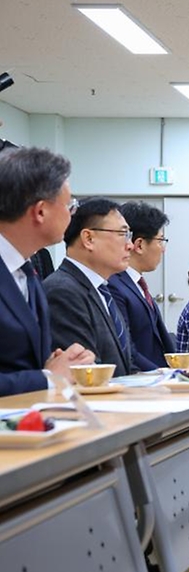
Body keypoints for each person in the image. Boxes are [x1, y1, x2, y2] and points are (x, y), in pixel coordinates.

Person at [0, 147, 94, 395]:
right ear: (40, 211)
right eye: (69, 205)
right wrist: (49, 377)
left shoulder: (26, 268)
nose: (71, 214)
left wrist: (62, 363)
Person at [44, 198, 136, 376]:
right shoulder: (62, 291)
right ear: (88, 238)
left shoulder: (102, 289)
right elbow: (86, 373)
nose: (130, 245)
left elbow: (127, 364)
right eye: (123, 234)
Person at [108, 201, 175, 371]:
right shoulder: (113, 284)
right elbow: (127, 348)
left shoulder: (137, 284)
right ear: (139, 245)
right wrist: (161, 374)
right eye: (160, 241)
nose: (163, 249)